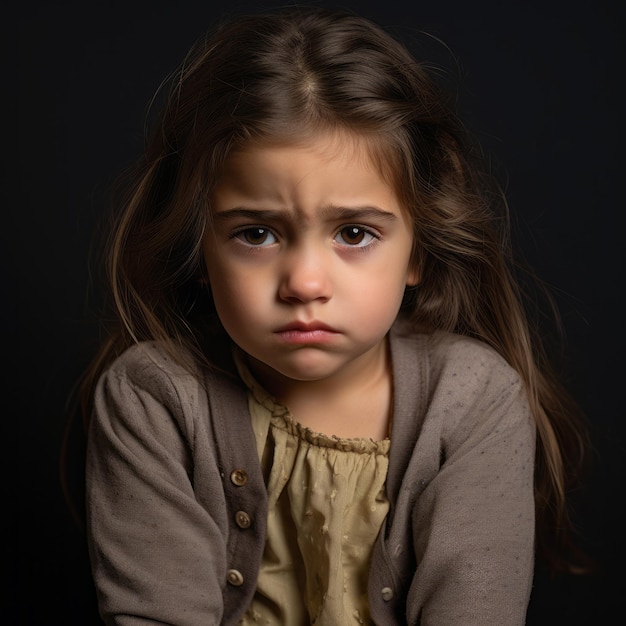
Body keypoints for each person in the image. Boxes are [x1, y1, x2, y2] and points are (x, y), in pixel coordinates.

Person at [76, 5, 590, 625]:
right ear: (200, 246)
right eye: (257, 234)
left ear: (418, 251)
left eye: (353, 232)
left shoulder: (473, 399)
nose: (304, 283)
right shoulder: (153, 396)